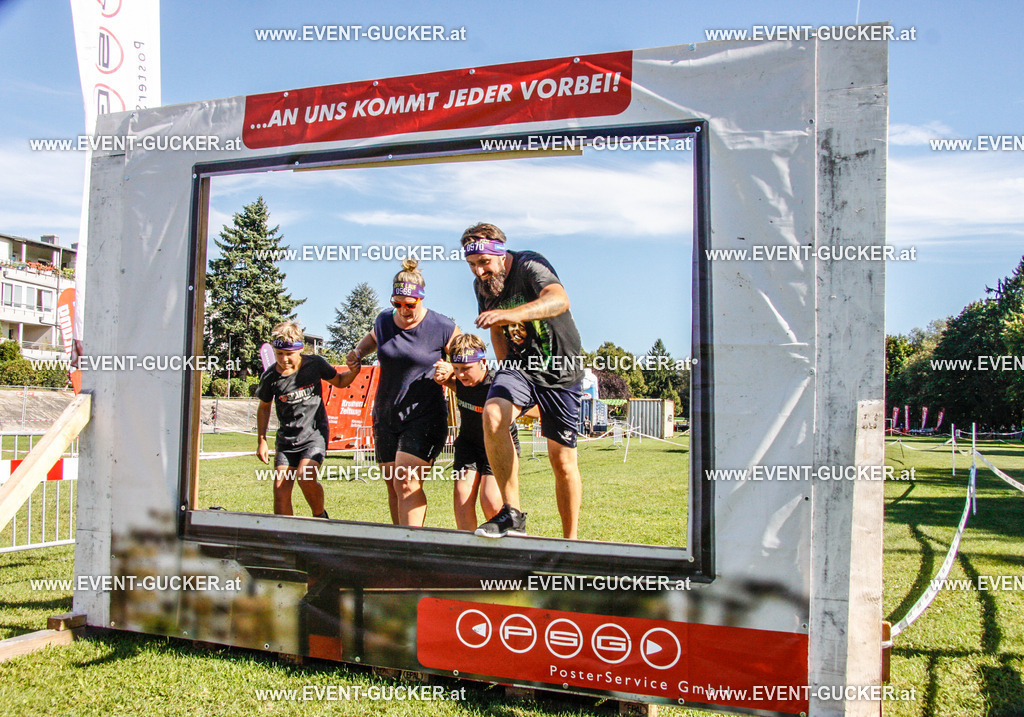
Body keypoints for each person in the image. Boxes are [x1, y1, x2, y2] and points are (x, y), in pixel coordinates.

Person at [460, 223, 584, 539]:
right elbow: (495, 329)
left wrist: (514, 315)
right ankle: (511, 513)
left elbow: (559, 300)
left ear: (501, 253)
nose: (479, 271)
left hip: (559, 369)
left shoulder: (530, 265)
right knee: (494, 413)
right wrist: (505, 371)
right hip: (520, 367)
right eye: (472, 265)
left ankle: (571, 542)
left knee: (563, 462)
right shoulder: (482, 286)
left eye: (484, 262)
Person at [349, 259, 460, 527]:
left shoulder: (442, 327)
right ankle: (399, 547)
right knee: (394, 487)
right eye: (397, 303)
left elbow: (469, 362)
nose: (403, 310)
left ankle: (413, 548)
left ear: (421, 299)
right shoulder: (384, 321)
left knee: (407, 482)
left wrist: (452, 370)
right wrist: (357, 352)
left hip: (424, 417)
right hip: (386, 417)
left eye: (410, 304)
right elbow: (373, 339)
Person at [256, 321, 361, 517]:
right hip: (286, 440)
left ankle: (320, 516)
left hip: (314, 435)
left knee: (306, 477)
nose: (284, 359)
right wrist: (261, 440)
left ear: (300, 349)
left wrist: (354, 372)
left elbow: (339, 381)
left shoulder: (315, 364)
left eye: (289, 354)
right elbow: (263, 407)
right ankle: (285, 535)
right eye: (279, 354)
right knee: (280, 489)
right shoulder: (270, 377)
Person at [433, 333, 520, 531]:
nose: (461, 375)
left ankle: (508, 545)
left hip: (499, 446)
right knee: (462, 498)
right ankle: (468, 549)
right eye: (456, 369)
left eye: (466, 369)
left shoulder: (497, 384)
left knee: (490, 501)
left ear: (482, 362)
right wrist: (443, 377)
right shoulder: (459, 381)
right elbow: (449, 380)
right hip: (469, 445)